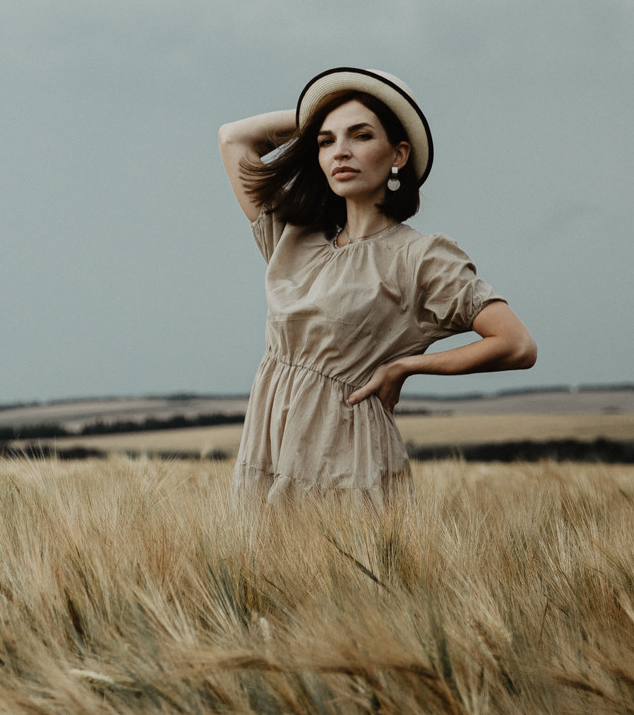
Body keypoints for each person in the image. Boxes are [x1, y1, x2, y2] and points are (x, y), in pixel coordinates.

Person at [217, 69, 536, 503]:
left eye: (361, 136)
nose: (340, 152)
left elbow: (516, 344)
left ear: (398, 154)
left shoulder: (420, 257)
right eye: (326, 141)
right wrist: (317, 113)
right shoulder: (294, 239)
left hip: (345, 458)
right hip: (268, 447)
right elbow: (233, 138)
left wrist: (406, 367)